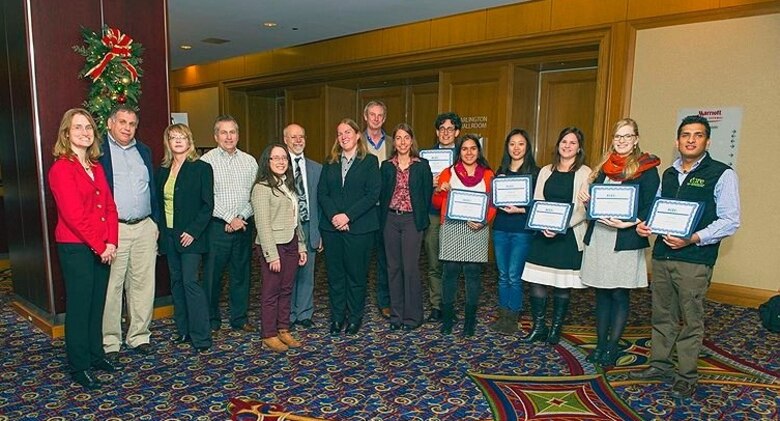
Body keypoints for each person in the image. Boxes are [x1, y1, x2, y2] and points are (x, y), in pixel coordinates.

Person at [631, 115, 740, 398]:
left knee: (691, 319)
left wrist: (693, 237)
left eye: (698, 135)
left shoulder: (722, 173)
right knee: (662, 314)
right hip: (663, 255)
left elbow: (730, 220)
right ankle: (659, 364)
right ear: (677, 141)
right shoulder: (669, 173)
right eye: (685, 135)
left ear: (707, 140)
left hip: (694, 259)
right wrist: (647, 225)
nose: (691, 140)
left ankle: (686, 374)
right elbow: (657, 207)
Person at [577, 118, 660, 366]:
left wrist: (631, 221)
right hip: (600, 237)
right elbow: (597, 201)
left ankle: (613, 347)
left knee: (619, 293)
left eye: (627, 136)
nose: (622, 141)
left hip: (625, 238)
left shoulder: (646, 168)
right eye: (618, 136)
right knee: (601, 293)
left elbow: (652, 204)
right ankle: (601, 344)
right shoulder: (604, 167)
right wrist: (586, 198)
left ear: (636, 139)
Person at [49, 108, 120, 389]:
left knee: (96, 304)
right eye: (77, 128)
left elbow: (111, 208)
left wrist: (112, 241)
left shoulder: (97, 166)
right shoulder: (61, 169)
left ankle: (95, 354)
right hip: (76, 247)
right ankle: (79, 365)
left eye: (88, 127)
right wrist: (100, 245)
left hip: (102, 246)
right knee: (79, 307)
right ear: (66, 134)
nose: (84, 132)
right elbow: (73, 214)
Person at [521, 127, 591, 345]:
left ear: (579, 148)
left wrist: (561, 226)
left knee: (562, 285)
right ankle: (539, 326)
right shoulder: (546, 170)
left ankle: (556, 328)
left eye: (572, 143)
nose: (567, 146)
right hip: (543, 234)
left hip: (568, 236)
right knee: (537, 282)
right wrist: (544, 225)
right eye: (564, 141)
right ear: (558, 144)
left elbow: (582, 209)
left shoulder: (586, 173)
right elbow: (538, 199)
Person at [99, 105, 159, 357]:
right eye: (122, 122)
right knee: (112, 286)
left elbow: (152, 188)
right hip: (116, 229)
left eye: (132, 123)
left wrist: (154, 222)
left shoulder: (143, 151)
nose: (127, 128)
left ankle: (139, 336)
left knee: (143, 284)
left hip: (144, 226)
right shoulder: (99, 152)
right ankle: (111, 340)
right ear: (110, 124)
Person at [318, 118, 381, 336]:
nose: (344, 136)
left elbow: (372, 194)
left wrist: (348, 216)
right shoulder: (330, 162)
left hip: (359, 229)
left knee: (356, 276)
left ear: (357, 135)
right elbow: (322, 194)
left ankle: (354, 318)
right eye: (340, 133)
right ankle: (337, 318)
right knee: (335, 276)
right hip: (332, 228)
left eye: (348, 132)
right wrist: (335, 216)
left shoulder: (370, 162)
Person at [156, 124, 214, 353]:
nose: (178, 141)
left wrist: (192, 231)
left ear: (189, 141)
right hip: (169, 236)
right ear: (168, 142)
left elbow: (208, 206)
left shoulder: (201, 168)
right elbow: (159, 206)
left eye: (182, 137)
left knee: (191, 283)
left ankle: (201, 336)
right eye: (173, 137)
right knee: (177, 283)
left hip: (191, 236)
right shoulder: (162, 170)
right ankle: (184, 331)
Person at [433, 134, 496, 337]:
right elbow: (437, 203)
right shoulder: (448, 172)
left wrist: (484, 220)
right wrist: (440, 191)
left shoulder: (487, 174)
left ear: (479, 151)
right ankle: (448, 320)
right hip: (452, 228)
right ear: (458, 152)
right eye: (464, 149)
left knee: (472, 275)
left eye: (473, 148)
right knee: (449, 273)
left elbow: (493, 204)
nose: (469, 152)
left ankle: (470, 322)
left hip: (476, 228)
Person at [201, 115, 259, 333]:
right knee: (212, 276)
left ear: (238, 135)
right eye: (223, 133)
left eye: (232, 132)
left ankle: (239, 318)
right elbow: (206, 198)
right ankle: (211, 320)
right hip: (217, 227)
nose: (228, 137)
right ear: (216, 136)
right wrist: (228, 218)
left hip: (243, 226)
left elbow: (256, 195)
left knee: (241, 275)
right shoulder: (206, 162)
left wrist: (241, 218)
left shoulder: (249, 161)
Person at [251, 143, 308, 352]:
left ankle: (283, 329)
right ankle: (268, 334)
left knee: (286, 290)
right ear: (267, 161)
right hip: (273, 246)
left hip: (291, 242)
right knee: (271, 292)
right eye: (275, 158)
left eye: (284, 157)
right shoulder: (261, 188)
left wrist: (301, 245)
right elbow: (263, 225)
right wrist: (271, 255)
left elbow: (296, 219)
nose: (281, 161)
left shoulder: (287, 185)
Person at [379, 123, 433, 331]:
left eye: (406, 138)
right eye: (398, 138)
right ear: (394, 142)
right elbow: (383, 194)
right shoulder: (386, 166)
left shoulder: (422, 165)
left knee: (410, 268)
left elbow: (426, 194)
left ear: (412, 141)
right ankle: (396, 315)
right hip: (390, 220)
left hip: (412, 221)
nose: (402, 142)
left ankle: (413, 317)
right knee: (393, 268)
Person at [489, 129, 540, 335]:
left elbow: (538, 204)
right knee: (502, 275)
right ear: (507, 147)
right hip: (501, 228)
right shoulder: (500, 171)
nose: (516, 148)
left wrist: (521, 209)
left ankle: (513, 316)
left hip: (522, 230)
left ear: (527, 147)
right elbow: (492, 200)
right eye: (512, 144)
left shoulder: (535, 173)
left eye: (520, 144)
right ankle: (504, 314)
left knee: (514, 275)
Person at [283, 123, 322, 329]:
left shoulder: (317, 168)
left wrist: (319, 232)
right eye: (293, 137)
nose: (298, 141)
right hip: (287, 228)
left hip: (309, 225)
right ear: (285, 140)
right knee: (288, 273)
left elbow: (320, 203)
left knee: (307, 272)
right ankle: (287, 315)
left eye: (301, 137)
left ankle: (304, 313)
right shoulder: (279, 165)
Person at [424, 112, 462, 322]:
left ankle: (450, 305)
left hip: (456, 216)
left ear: (457, 132)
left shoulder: (464, 154)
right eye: (442, 129)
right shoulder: (425, 157)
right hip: (432, 214)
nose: (446, 133)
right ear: (437, 132)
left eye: (450, 129)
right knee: (433, 263)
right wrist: (428, 181)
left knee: (452, 264)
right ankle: (436, 305)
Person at [363, 100, 391, 319]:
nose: (375, 118)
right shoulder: (355, 141)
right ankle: (358, 301)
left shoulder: (393, 143)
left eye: (379, 115)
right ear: (365, 116)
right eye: (372, 114)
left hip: (386, 209)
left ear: (384, 118)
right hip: (362, 210)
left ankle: (384, 301)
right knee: (360, 259)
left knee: (385, 258)